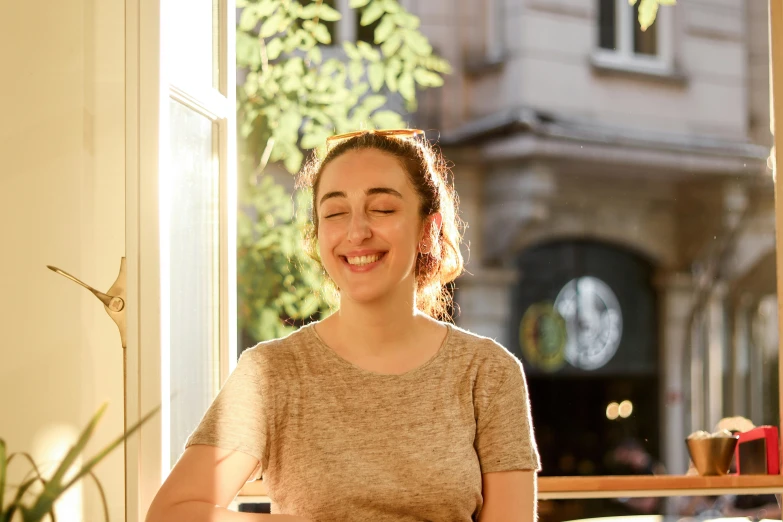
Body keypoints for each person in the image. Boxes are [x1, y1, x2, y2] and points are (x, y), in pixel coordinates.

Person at [145, 129, 541, 522]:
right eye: (334, 213)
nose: (356, 232)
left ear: (428, 231)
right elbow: (172, 514)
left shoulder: (488, 372)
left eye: (382, 209)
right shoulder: (271, 373)